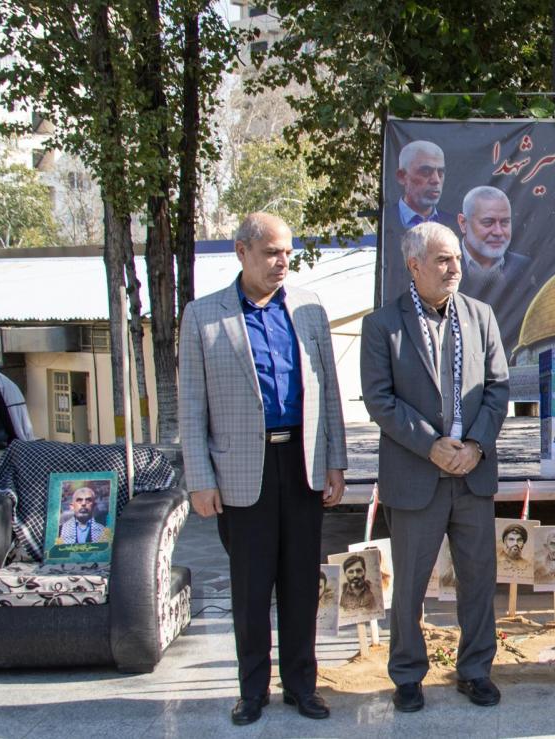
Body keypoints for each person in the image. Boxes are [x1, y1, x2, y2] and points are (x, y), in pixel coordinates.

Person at [179, 212, 348, 725]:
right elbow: (191, 405)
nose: (282, 262)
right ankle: (252, 691)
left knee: (301, 584)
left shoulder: (309, 309)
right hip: (240, 471)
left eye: (287, 252)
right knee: (251, 589)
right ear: (242, 251)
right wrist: (200, 479)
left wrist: (336, 462)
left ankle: (301, 686)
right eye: (272, 252)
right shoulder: (203, 316)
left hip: (301, 463)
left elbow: (329, 392)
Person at [360, 221, 510, 713]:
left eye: (457, 259)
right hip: (416, 475)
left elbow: (498, 389)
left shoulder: (481, 316)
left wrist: (476, 446)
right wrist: (430, 446)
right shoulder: (382, 325)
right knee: (409, 586)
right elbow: (380, 400)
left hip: (472, 474)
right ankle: (407, 675)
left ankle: (475, 670)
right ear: (414, 265)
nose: (454, 268)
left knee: (478, 581)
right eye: (443, 259)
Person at [456, 186, 537, 349]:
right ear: (463, 223)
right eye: (488, 223)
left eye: (505, 222)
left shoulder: (525, 269)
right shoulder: (444, 268)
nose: (498, 232)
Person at [391, 140, 447, 229]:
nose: (436, 180)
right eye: (426, 172)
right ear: (402, 176)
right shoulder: (384, 220)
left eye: (440, 173)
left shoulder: (455, 226)